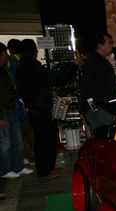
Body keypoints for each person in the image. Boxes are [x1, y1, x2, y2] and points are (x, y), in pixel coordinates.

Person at [15, 38, 81, 179]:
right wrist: (74, 64)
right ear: (35, 51)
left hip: (35, 107)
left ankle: (48, 167)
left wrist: (46, 91)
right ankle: (45, 170)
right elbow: (57, 78)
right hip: (40, 108)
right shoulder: (33, 67)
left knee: (45, 140)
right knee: (45, 141)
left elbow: (32, 87)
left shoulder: (23, 67)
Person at [0, 42, 33, 178]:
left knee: (17, 140)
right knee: (5, 142)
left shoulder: (4, 70)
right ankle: (5, 170)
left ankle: (18, 166)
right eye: (4, 53)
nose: (7, 56)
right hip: (3, 110)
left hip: (12, 107)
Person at [79, 32, 116, 134]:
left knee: (98, 138)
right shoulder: (102, 64)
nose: (111, 45)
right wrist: (115, 108)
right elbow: (109, 89)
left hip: (93, 107)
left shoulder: (89, 62)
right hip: (103, 108)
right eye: (109, 43)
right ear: (100, 45)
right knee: (110, 137)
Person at [6, 38, 34, 165]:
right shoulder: (26, 61)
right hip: (27, 99)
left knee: (21, 130)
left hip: (18, 101)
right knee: (28, 129)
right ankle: (34, 152)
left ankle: (26, 155)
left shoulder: (13, 63)